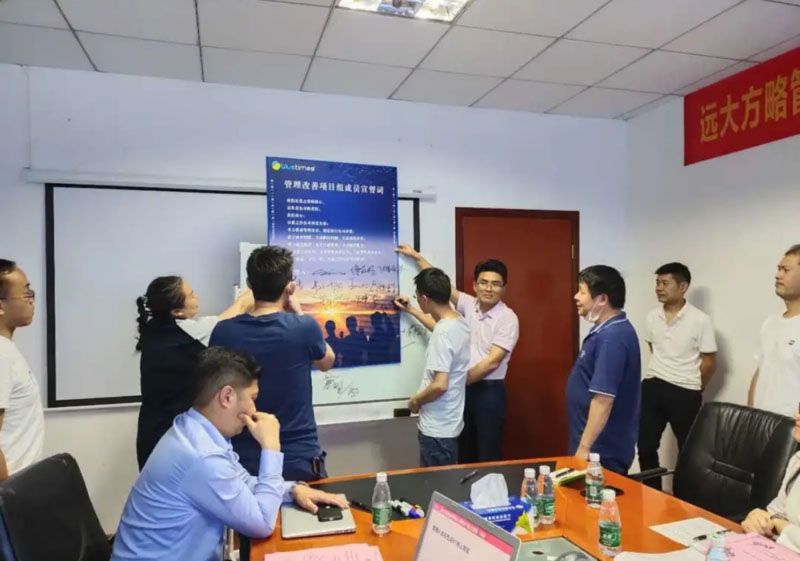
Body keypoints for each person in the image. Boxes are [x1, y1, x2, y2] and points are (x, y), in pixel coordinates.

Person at [111, 347, 347, 561]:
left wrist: (292, 490)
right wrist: (271, 447)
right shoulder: (201, 456)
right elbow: (262, 523)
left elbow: (241, 483)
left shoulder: (195, 430)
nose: (254, 410)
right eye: (253, 399)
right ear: (226, 397)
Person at [210, 246, 335, 481]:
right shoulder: (303, 328)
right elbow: (327, 361)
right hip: (297, 455)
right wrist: (299, 311)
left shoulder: (223, 332)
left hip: (242, 458)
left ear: (249, 284)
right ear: (290, 287)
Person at [396, 244, 519, 463]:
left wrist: (457, 380)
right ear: (475, 285)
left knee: (487, 451)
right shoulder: (468, 305)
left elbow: (492, 362)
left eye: (495, 284)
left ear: (504, 288)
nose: (489, 288)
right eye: (484, 282)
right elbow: (439, 286)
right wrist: (415, 257)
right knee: (463, 450)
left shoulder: (508, 318)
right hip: (463, 388)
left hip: (488, 392)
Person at [135, 276, 253, 469]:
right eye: (191, 295)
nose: (197, 298)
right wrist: (250, 294)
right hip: (170, 433)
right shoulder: (187, 332)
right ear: (177, 312)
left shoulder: (156, 328)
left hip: (152, 428)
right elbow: (233, 314)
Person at [638, 263, 717, 490]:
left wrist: (696, 386)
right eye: (657, 283)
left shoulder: (700, 320)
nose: (659, 288)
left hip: (685, 390)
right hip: (653, 385)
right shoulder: (652, 317)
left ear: (683, 287)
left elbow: (709, 362)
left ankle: (683, 498)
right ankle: (651, 492)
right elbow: (655, 349)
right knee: (645, 446)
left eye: (665, 283)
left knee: (688, 450)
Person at [565, 265, 641, 474]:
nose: (576, 297)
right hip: (592, 444)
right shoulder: (604, 331)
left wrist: (584, 448)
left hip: (601, 450)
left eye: (582, 292)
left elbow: (603, 399)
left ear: (602, 299)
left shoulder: (613, 337)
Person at [395, 268, 470, 467]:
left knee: (436, 484)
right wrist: (412, 309)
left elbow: (439, 385)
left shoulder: (443, 333)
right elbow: (439, 329)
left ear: (425, 298)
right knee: (446, 481)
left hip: (437, 429)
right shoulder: (458, 322)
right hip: (451, 424)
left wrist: (415, 401)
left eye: (417, 297)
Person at [0, 260, 44, 480]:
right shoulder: (1, 354)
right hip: (9, 491)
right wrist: (7, 492)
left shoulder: (7, 350)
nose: (31, 300)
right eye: (26, 294)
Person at [748, 245, 800, 417]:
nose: (778, 275)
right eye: (779, 269)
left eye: (786, 270)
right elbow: (760, 371)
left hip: (791, 428)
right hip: (760, 423)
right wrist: (750, 413)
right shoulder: (770, 323)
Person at [741, 412, 800, 553]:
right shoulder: (797, 460)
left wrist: (779, 524)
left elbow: (777, 521)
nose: (797, 414)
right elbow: (776, 512)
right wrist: (758, 520)